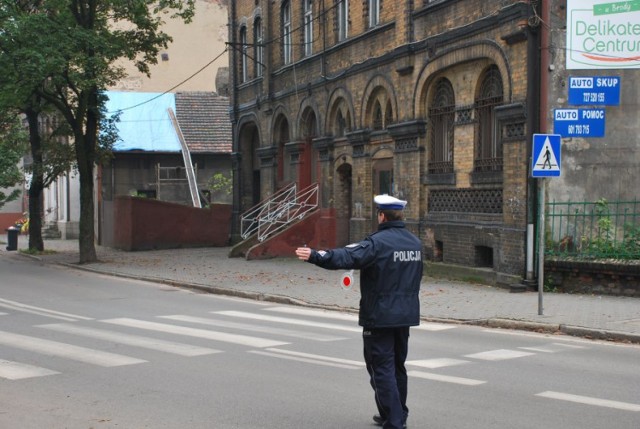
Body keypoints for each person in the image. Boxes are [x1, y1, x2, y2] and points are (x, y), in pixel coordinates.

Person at [295, 194, 423, 429]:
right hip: (405, 316)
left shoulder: (377, 243)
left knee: (381, 368)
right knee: (397, 366)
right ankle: (394, 413)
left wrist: (315, 255)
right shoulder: (414, 243)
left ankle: (395, 421)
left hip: (380, 316)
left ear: (381, 216)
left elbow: (347, 256)